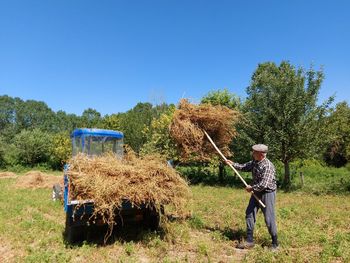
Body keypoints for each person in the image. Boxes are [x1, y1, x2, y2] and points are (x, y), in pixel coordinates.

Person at [226, 144, 279, 250]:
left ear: (261, 154)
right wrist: (232, 164)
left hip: (267, 193)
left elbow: (264, 184)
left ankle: (275, 243)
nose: (252, 153)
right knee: (249, 213)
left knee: (269, 218)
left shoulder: (268, 166)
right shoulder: (255, 162)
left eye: (254, 152)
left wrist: (252, 188)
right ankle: (249, 240)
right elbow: (244, 167)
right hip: (256, 192)